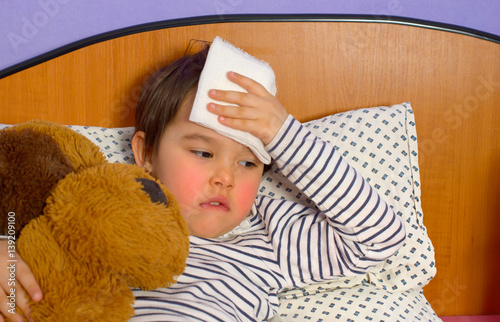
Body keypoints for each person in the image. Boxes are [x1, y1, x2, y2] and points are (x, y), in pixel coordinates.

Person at [1, 43, 405, 321]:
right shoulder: (101, 192)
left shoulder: (268, 235)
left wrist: (284, 135)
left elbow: (380, 236)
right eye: (203, 153)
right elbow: (17, 207)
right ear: (145, 154)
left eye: (249, 163)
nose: (226, 177)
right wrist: (4, 247)